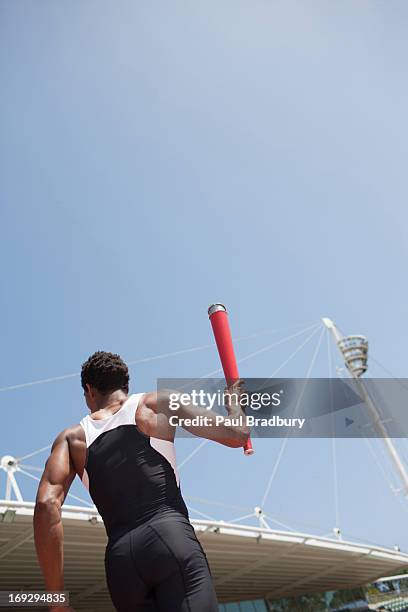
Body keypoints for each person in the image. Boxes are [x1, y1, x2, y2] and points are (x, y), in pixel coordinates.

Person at [34, 351, 249, 612]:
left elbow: (46, 504)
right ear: (126, 385)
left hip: (121, 564)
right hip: (170, 539)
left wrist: (56, 599)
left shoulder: (71, 439)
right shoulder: (156, 404)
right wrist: (235, 404)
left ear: (89, 390)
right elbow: (236, 434)